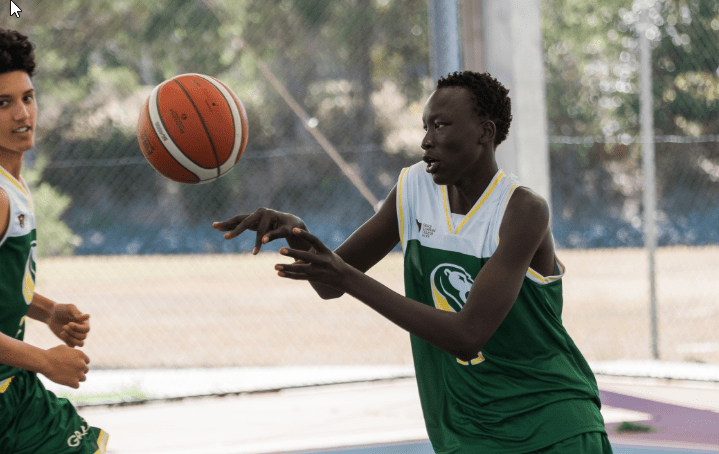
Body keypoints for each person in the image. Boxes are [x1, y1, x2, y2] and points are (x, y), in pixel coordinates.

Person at [214, 71, 611, 453]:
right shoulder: (415, 188)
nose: (425, 141)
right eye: (425, 126)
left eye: (441, 126)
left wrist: (346, 276)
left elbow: (468, 334)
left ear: (485, 133)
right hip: (469, 430)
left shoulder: (522, 210)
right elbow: (330, 284)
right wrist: (298, 233)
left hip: (551, 427)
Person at [0, 28, 109, 453]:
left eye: (27, 97)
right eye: (2, 104)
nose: (21, 114)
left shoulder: (13, 184)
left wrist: (47, 310)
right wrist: (45, 360)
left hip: (14, 391)